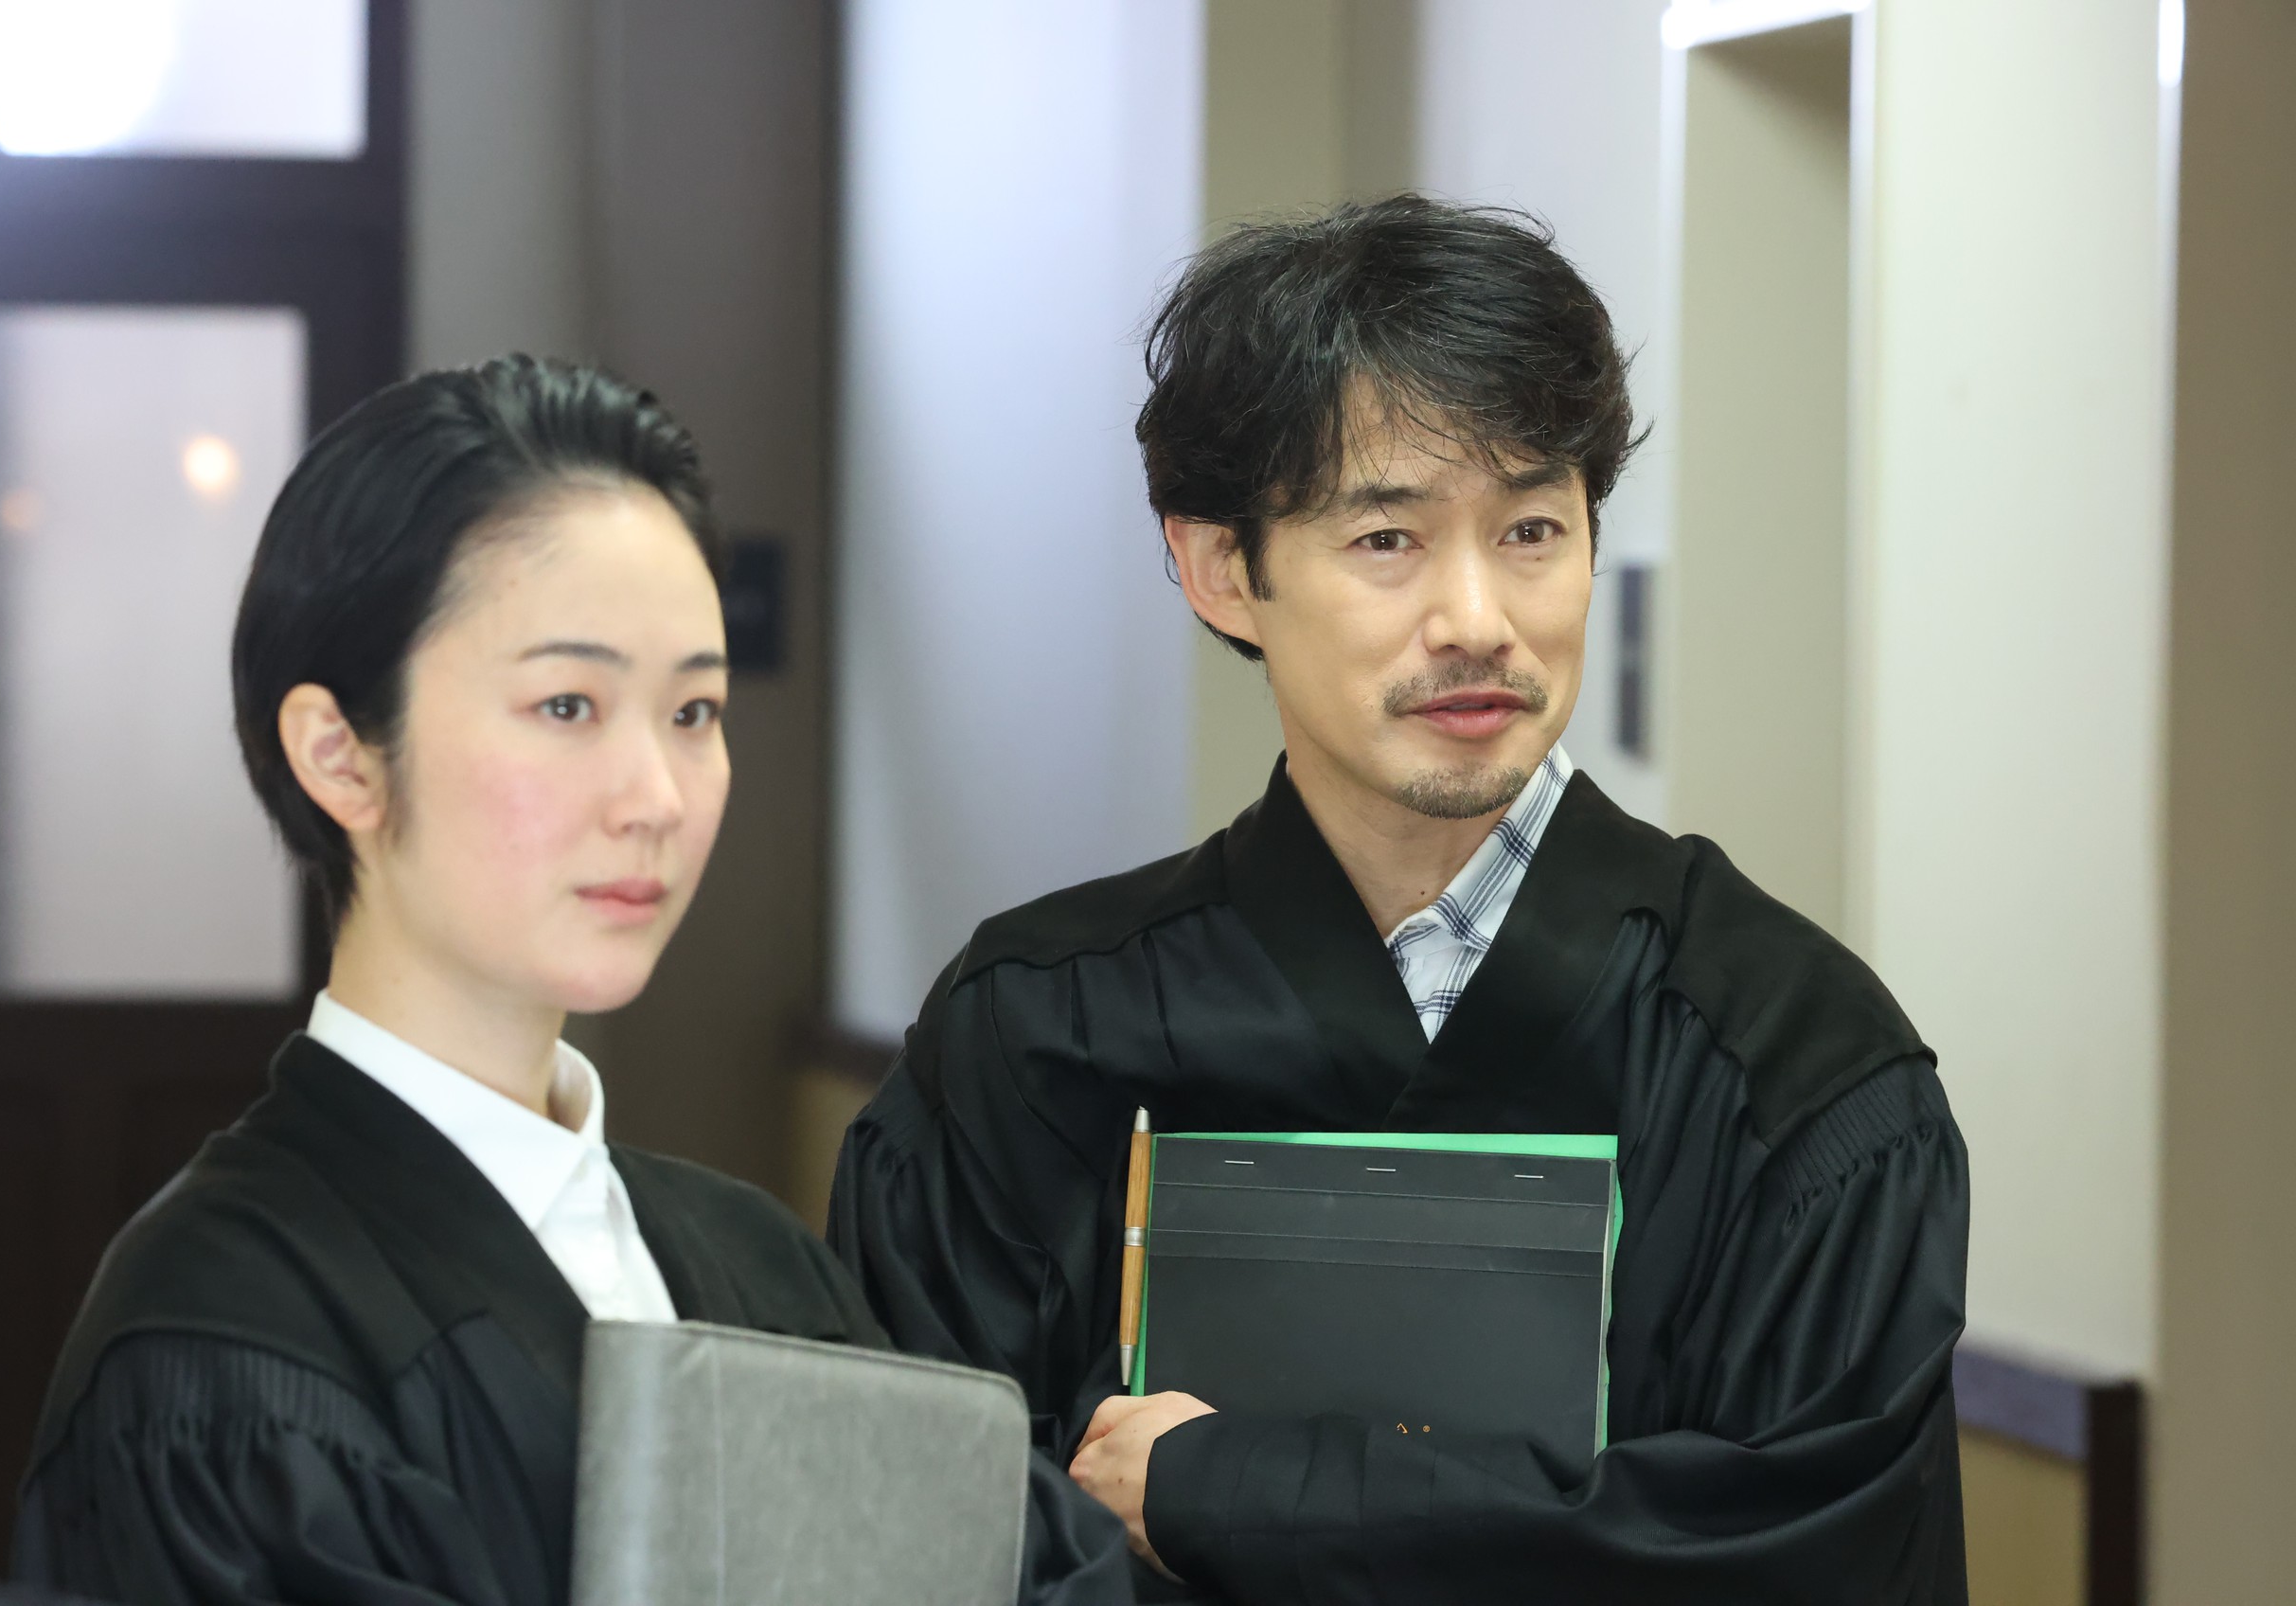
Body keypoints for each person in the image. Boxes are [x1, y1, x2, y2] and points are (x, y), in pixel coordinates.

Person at [828, 198, 1969, 1604]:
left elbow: (1800, 1557)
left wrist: (1228, 1491)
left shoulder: (1794, 1062)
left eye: (1533, 528)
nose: (1478, 619)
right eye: (1388, 540)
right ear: (1221, 569)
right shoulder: (1033, 1038)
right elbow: (906, 1534)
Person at [12, 357, 1130, 1606]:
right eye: (565, 705)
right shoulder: (219, 1349)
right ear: (340, 755)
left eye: (694, 712)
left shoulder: (762, 1268)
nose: (655, 797)